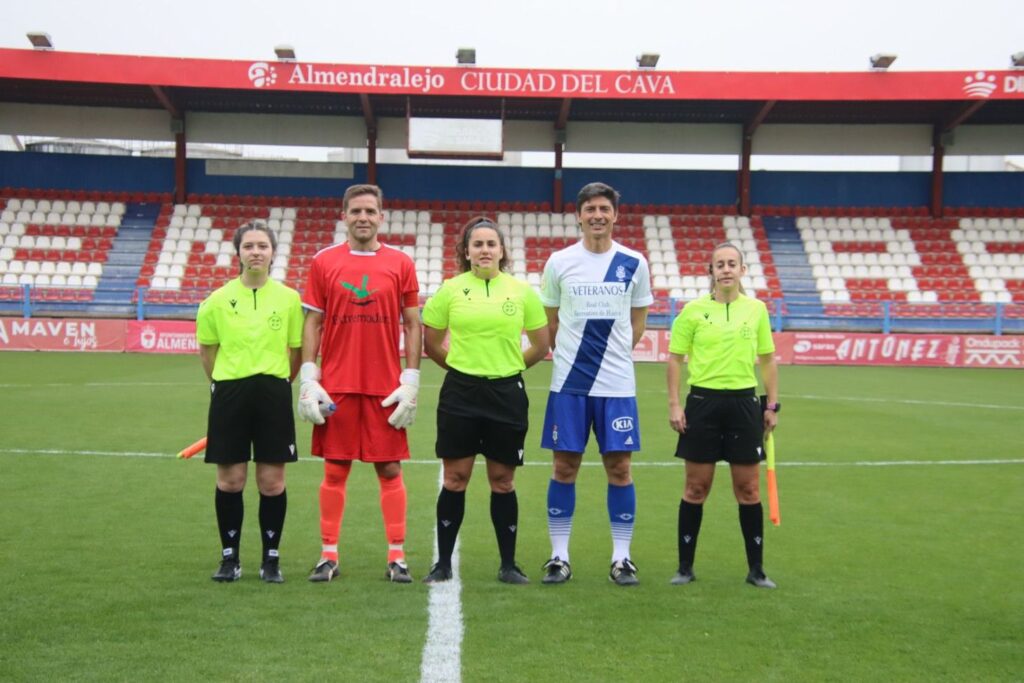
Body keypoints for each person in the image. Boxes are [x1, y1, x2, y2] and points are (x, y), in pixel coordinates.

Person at [297, 184, 421, 584]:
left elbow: (413, 323)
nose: (363, 217)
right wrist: (308, 376)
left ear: (381, 217)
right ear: (344, 216)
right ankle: (328, 554)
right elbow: (312, 320)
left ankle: (397, 556)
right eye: (356, 211)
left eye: (370, 211)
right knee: (335, 470)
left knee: (389, 470)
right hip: (338, 385)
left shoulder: (401, 262)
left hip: (385, 385)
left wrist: (412, 377)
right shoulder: (324, 261)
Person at [420, 217, 551, 585]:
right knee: (456, 477)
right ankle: (442, 563)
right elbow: (432, 344)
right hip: (460, 393)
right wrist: (463, 369)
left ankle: (508, 565)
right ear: (466, 251)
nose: (484, 250)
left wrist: (507, 369)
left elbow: (541, 345)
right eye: (477, 244)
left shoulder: (522, 292)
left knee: (502, 480)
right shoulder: (449, 290)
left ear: (502, 250)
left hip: (506, 394)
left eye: (491, 244)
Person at [538, 182, 653, 586]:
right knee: (563, 466)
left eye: (605, 208)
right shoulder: (559, 262)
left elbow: (638, 320)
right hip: (569, 384)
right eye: (590, 209)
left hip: (618, 386)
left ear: (615, 215)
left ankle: (622, 558)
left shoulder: (633, 262)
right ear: (579, 215)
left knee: (619, 469)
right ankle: (558, 556)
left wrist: (613, 354)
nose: (598, 215)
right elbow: (550, 322)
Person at [666, 241, 780, 589]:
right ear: (711, 271)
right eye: (720, 264)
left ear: (743, 270)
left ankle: (756, 570)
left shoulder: (756, 310)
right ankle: (685, 568)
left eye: (733, 263)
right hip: (702, 404)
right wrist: (674, 403)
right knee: (695, 487)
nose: (726, 269)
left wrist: (772, 404)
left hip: (745, 406)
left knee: (748, 489)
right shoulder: (692, 311)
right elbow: (674, 358)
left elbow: (768, 359)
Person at [196, 220, 303, 583]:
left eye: (263, 246)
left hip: (273, 393)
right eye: (249, 246)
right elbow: (208, 352)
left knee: (272, 482)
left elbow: (296, 351)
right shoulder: (216, 300)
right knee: (231, 480)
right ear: (238, 252)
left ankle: (270, 559)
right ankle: (230, 559)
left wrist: (277, 382)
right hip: (230, 394)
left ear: (273, 253)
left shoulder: (288, 299)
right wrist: (225, 383)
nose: (256, 252)